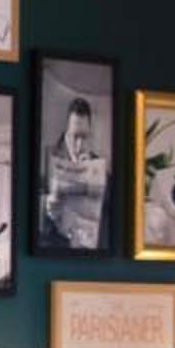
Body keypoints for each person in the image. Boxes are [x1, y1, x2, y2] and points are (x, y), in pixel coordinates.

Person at [37, 95, 107, 250]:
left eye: (84, 137)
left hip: (87, 250)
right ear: (66, 131)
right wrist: (46, 204)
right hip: (55, 248)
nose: (79, 145)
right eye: (75, 136)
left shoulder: (99, 166)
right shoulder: (45, 158)